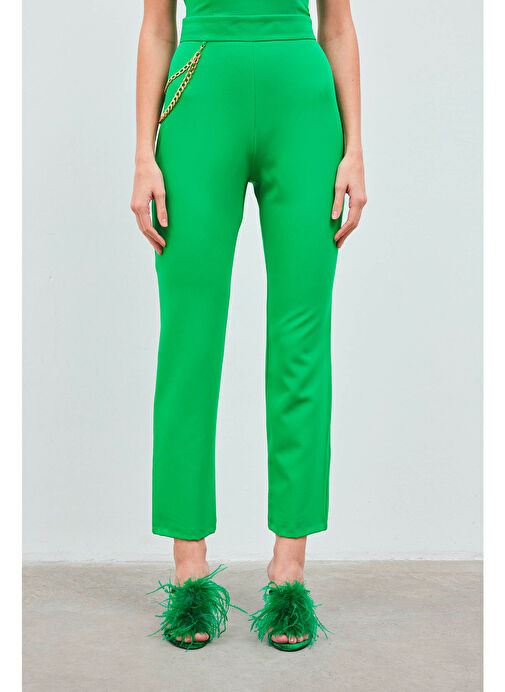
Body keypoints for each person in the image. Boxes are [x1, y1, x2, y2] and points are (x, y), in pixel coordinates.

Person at [131, 0, 366, 651]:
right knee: (189, 341)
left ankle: (289, 570)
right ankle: (189, 569)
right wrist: (143, 155)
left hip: (304, 109)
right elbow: (157, 26)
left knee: (301, 340)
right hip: (199, 99)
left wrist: (354, 149)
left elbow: (336, 23)